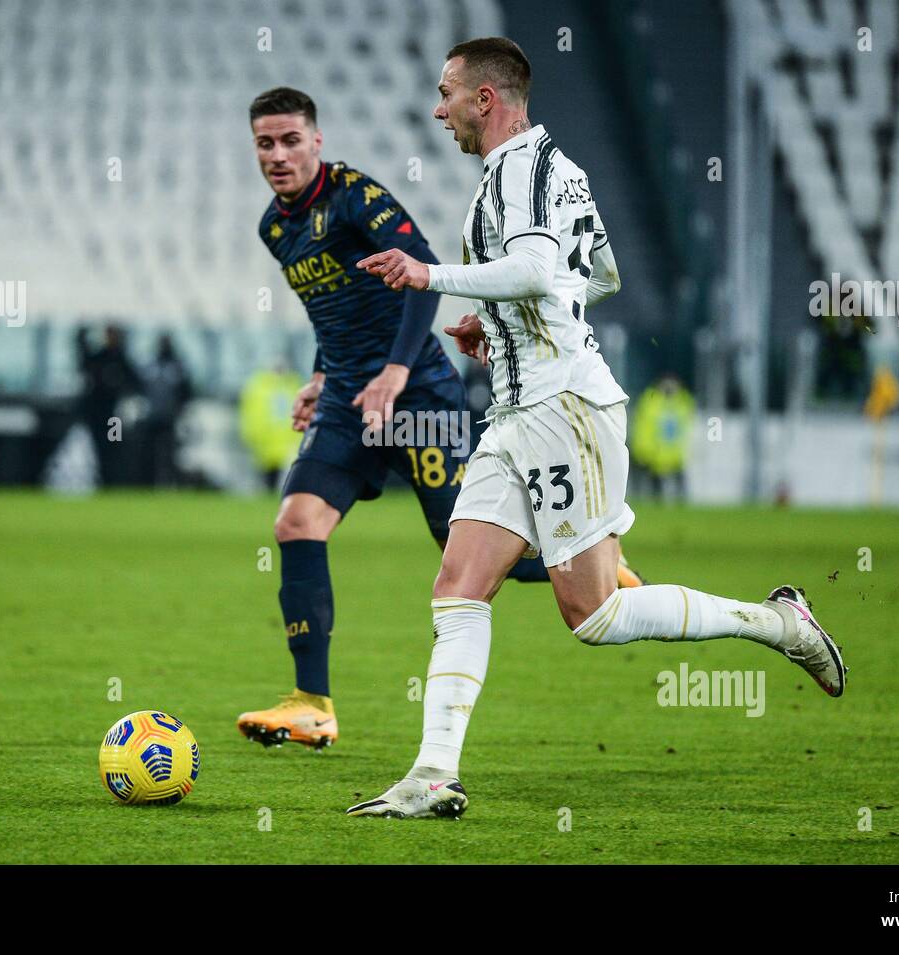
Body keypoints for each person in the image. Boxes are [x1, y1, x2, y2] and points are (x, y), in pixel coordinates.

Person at [348, 37, 846, 819]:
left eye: (446, 93)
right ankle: (433, 774)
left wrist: (432, 277)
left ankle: (780, 622)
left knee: (597, 613)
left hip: (563, 410)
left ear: (486, 99)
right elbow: (595, 275)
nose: (436, 109)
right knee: (458, 584)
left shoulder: (521, 170)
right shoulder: (554, 170)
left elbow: (546, 272)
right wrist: (500, 322)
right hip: (514, 412)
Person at [237, 87, 645, 752]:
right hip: (350, 398)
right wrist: (322, 374)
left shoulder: (355, 197)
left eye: (290, 140)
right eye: (265, 143)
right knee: (296, 521)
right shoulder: (274, 227)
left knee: (481, 560)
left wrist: (396, 373)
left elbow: (419, 274)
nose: (277, 155)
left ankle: (605, 564)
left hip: (419, 393)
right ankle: (312, 703)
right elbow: (335, 308)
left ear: (316, 141)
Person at [75, 324, 142, 487]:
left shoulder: (121, 359)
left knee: (114, 446)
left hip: (114, 417)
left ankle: (114, 480)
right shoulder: (99, 357)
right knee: (99, 448)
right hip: (97, 414)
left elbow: (135, 383)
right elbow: (84, 364)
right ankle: (103, 481)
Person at [238, 363, 304, 489]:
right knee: (267, 483)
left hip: (288, 446)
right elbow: (250, 415)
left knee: (285, 484)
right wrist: (251, 435)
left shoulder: (294, 385)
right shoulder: (258, 386)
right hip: (264, 445)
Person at [631, 374, 695, 500]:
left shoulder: (683, 402)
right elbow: (643, 427)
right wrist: (644, 449)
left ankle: (680, 502)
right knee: (652, 488)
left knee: (678, 486)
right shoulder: (651, 402)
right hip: (652, 453)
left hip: (674, 454)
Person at [142, 334, 193, 487]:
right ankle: (150, 483)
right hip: (152, 417)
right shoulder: (151, 366)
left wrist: (180, 409)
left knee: (170, 454)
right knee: (151, 453)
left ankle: (170, 483)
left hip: (171, 418)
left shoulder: (177, 366)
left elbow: (186, 391)